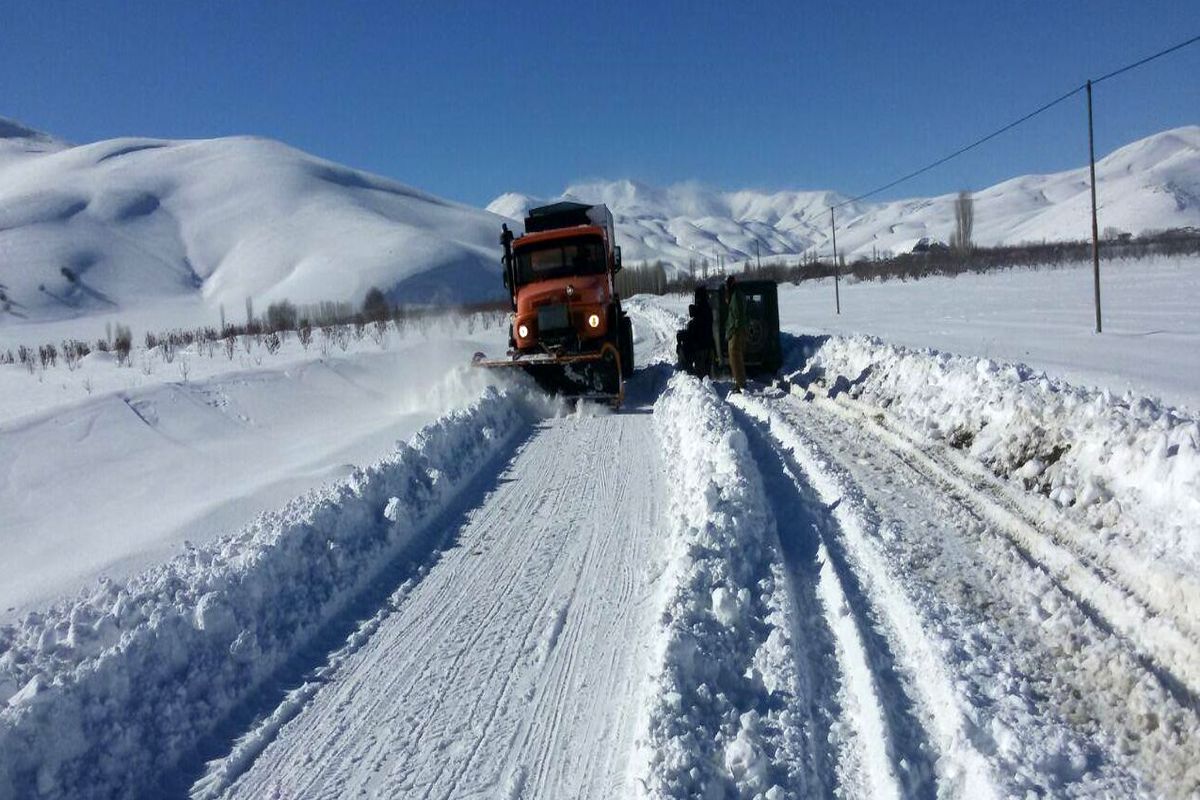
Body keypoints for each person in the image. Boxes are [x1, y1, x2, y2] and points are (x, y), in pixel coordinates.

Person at [724, 275, 747, 392]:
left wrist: (735, 330)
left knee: (735, 357)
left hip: (736, 331)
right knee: (735, 358)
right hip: (735, 330)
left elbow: (738, 316)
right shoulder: (734, 294)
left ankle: (740, 384)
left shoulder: (736, 295)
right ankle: (739, 383)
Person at [690, 287, 714, 378]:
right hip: (708, 345)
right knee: (707, 375)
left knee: (700, 374)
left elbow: (696, 327)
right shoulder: (708, 308)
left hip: (701, 346)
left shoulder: (700, 308)